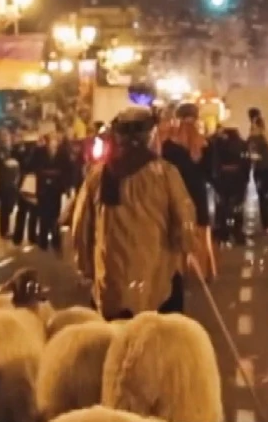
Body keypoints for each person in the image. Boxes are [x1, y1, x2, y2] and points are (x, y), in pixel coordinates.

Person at [71, 106, 198, 320]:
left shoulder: (99, 175)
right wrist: (186, 245)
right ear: (150, 136)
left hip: (110, 282)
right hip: (158, 281)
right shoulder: (165, 173)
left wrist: (86, 267)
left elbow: (81, 227)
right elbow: (185, 222)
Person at [158, 103, 216, 279]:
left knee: (177, 230)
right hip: (198, 191)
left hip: (175, 192)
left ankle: (179, 271)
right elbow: (211, 171)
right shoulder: (204, 143)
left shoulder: (168, 146)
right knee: (201, 230)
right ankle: (206, 270)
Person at [209, 118, 252, 246]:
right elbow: (246, 162)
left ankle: (222, 231)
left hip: (222, 179)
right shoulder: (242, 144)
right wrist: (245, 178)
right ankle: (237, 231)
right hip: (238, 179)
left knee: (222, 205)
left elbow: (213, 162)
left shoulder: (217, 144)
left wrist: (214, 179)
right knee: (238, 206)